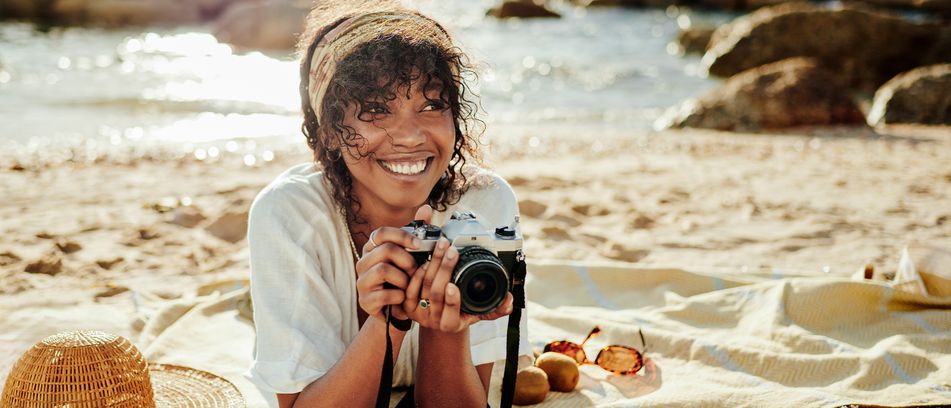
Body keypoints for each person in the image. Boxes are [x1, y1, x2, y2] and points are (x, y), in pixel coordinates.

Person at [246, 2, 532, 407]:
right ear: (328, 131)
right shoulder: (289, 212)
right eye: (377, 110)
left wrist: (442, 325)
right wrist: (389, 320)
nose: (410, 136)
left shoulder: (483, 202)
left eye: (432, 105)